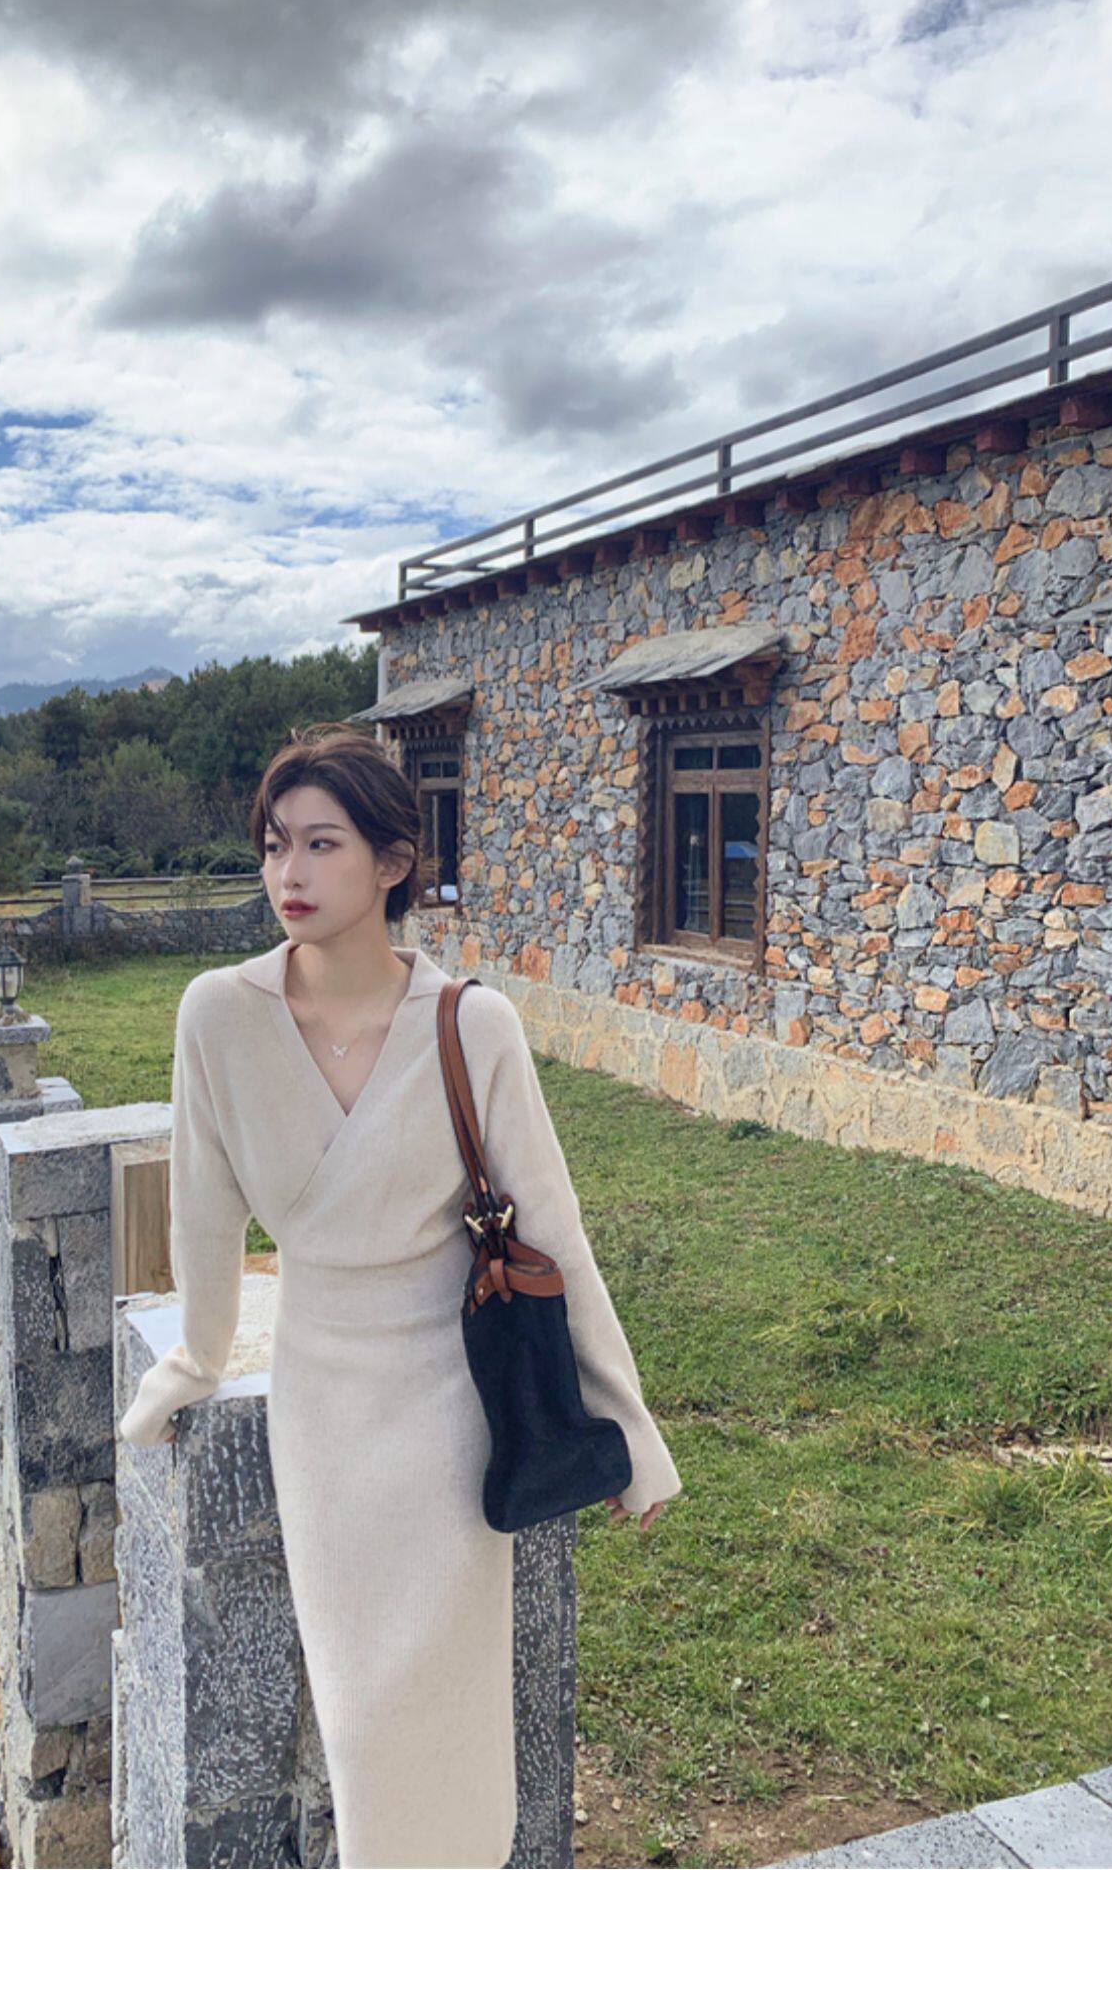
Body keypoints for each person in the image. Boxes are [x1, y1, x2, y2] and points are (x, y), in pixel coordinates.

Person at [118, 722, 682, 1869]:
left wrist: (627, 1432)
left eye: (321, 844)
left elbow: (553, 1231)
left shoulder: (470, 1024)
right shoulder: (217, 1015)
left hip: (447, 1412)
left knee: (444, 1707)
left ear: (392, 863)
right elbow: (204, 1212)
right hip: (322, 1412)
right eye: (274, 844)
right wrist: (196, 1361)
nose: (288, 871)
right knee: (361, 1717)